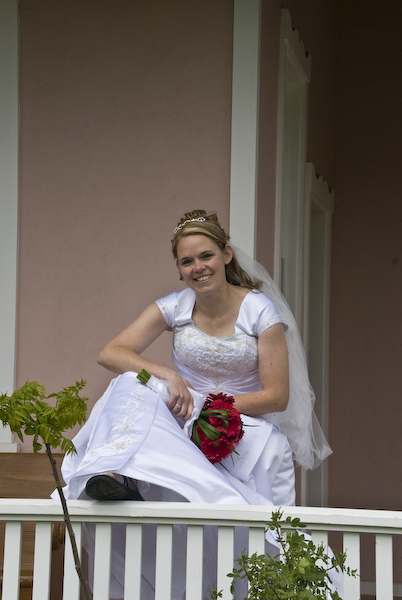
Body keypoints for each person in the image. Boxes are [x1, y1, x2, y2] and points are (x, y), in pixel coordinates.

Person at [57, 209, 332, 598]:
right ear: (179, 268)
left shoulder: (259, 311)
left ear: (226, 255)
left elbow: (276, 396)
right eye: (187, 261)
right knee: (130, 382)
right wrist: (168, 375)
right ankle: (116, 475)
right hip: (184, 416)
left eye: (206, 256)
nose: (198, 268)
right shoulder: (175, 306)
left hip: (240, 420)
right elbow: (111, 352)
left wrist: (214, 406)